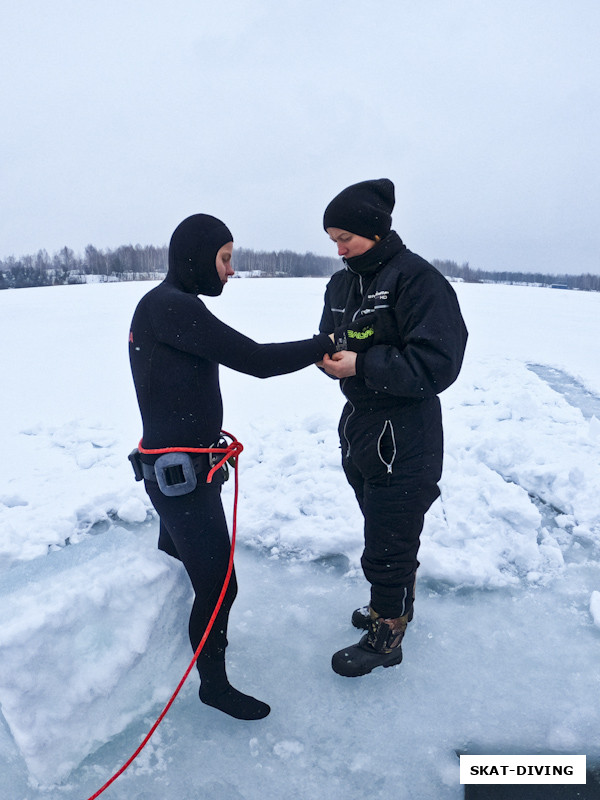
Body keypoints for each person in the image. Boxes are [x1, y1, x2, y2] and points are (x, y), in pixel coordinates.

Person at [129, 213, 338, 720]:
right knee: (221, 586)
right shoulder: (171, 307)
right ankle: (213, 686)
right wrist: (324, 343)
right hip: (180, 480)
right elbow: (257, 359)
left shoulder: (168, 307)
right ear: (197, 257)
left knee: (187, 565)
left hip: (185, 471)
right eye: (225, 259)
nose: (230, 271)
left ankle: (185, 647)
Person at [318, 179, 468, 677]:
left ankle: (388, 636)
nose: (339, 249)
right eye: (332, 239)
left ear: (375, 232)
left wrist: (361, 365)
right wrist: (325, 356)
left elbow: (437, 364)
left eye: (346, 238)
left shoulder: (417, 280)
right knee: (380, 527)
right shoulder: (341, 284)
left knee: (391, 539)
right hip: (360, 426)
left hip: (407, 432)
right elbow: (330, 336)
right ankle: (393, 603)